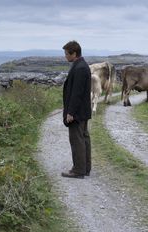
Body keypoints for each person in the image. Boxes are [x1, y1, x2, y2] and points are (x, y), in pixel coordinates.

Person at [61, 40, 92, 179]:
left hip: (77, 113)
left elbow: (77, 93)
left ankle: (78, 170)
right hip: (83, 111)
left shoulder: (79, 68)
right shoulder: (82, 65)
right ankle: (85, 167)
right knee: (84, 138)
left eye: (66, 54)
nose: (65, 56)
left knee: (77, 140)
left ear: (74, 53)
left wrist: (70, 113)